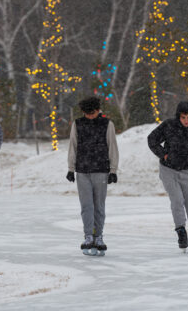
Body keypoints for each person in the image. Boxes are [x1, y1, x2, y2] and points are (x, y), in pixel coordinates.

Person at [147, 101, 188, 253]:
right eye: (183, 117)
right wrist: (163, 154)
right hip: (168, 169)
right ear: (178, 116)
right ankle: (181, 231)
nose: (185, 120)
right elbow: (152, 139)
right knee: (177, 200)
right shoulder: (169, 125)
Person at [67, 97, 119, 256]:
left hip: (101, 170)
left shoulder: (107, 124)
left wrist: (113, 170)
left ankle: (99, 236)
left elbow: (112, 147)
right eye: (87, 114)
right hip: (82, 170)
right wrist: (71, 168)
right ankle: (88, 235)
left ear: (98, 110)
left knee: (99, 206)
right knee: (86, 205)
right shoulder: (78, 124)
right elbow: (73, 146)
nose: (90, 116)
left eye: (93, 113)